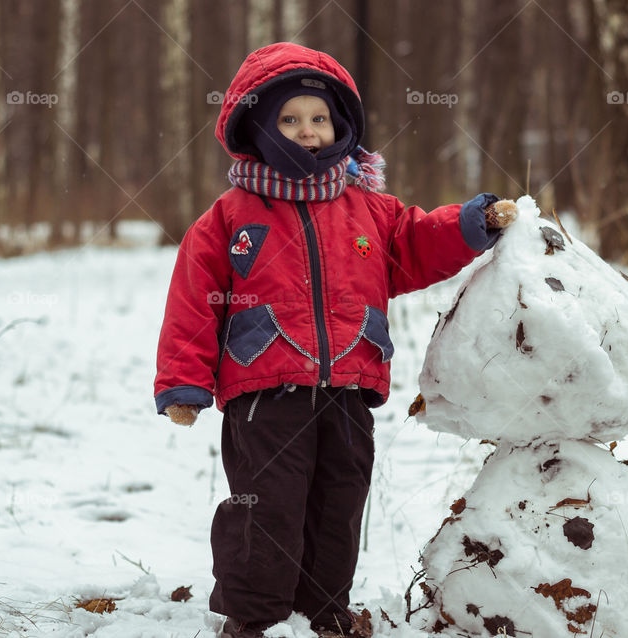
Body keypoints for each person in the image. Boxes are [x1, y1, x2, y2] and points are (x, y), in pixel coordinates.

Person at [153, 42, 516, 638]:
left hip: (349, 385)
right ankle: (254, 615)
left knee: (339, 504)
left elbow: (417, 243)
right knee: (266, 506)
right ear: (258, 127)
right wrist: (183, 382)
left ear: (340, 124)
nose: (308, 132)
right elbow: (194, 301)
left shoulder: (368, 209)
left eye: (319, 119)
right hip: (263, 391)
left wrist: (471, 223)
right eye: (290, 120)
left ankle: (324, 612)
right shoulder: (231, 216)